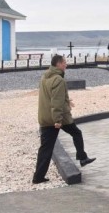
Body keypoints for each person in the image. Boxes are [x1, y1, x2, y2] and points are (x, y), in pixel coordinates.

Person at [33, 54, 96, 184]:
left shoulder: (45, 76)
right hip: (56, 119)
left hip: (45, 117)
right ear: (59, 64)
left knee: (45, 148)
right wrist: (57, 120)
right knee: (76, 133)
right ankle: (82, 158)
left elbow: (51, 97)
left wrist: (67, 101)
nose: (66, 65)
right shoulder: (59, 80)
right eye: (64, 63)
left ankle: (38, 177)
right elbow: (56, 101)